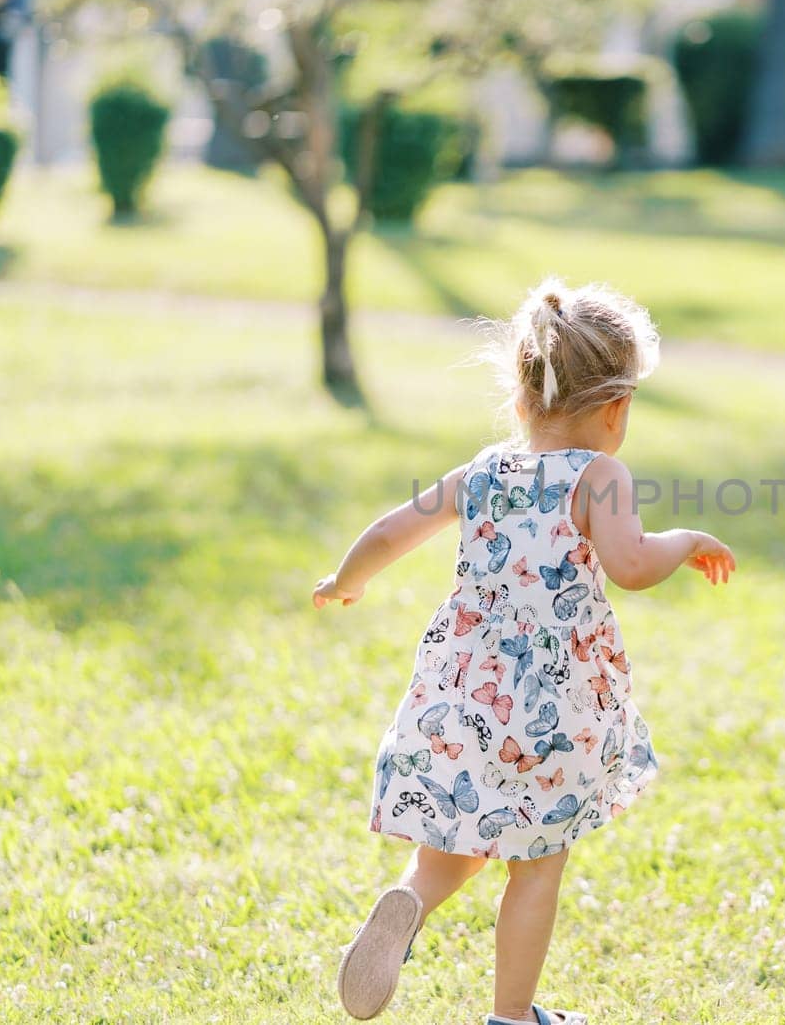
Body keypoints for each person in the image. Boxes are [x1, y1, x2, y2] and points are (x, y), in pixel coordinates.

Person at [312, 278, 737, 1025]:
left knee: (465, 833)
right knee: (536, 861)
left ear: (520, 400)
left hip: (465, 690)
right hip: (552, 704)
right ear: (617, 409)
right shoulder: (599, 476)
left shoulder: (481, 472)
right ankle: (513, 1018)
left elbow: (389, 532)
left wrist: (347, 580)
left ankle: (410, 899)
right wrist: (687, 541)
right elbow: (632, 566)